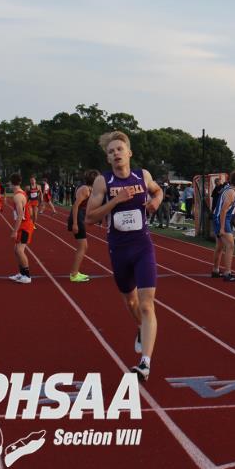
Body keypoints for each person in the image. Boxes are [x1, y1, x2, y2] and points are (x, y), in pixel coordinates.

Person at [85, 131, 164, 381]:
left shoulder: (143, 176)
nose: (116, 153)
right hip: (119, 250)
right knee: (131, 303)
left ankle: (145, 364)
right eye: (111, 152)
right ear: (108, 159)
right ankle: (140, 328)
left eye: (120, 149)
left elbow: (158, 191)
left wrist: (156, 201)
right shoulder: (103, 182)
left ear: (129, 153)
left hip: (142, 247)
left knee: (146, 304)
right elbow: (89, 218)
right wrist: (115, 201)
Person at [211, 170, 235, 282]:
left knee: (220, 246)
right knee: (230, 246)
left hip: (220, 218)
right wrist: (222, 228)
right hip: (222, 219)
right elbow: (223, 211)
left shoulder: (229, 189)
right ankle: (227, 273)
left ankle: (215, 270)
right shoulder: (231, 192)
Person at [67, 169, 99, 283]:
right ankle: (74, 274)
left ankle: (75, 272)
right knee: (82, 246)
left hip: (80, 217)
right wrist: (75, 223)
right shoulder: (85, 189)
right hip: (77, 217)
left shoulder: (90, 189)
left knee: (84, 246)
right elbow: (75, 205)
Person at [10, 174, 34, 284]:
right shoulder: (21, 193)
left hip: (25, 226)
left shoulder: (17, 196)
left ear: (11, 183)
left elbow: (20, 215)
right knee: (16, 250)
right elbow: (29, 210)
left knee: (20, 250)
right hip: (23, 224)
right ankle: (21, 273)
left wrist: (14, 231)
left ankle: (27, 276)